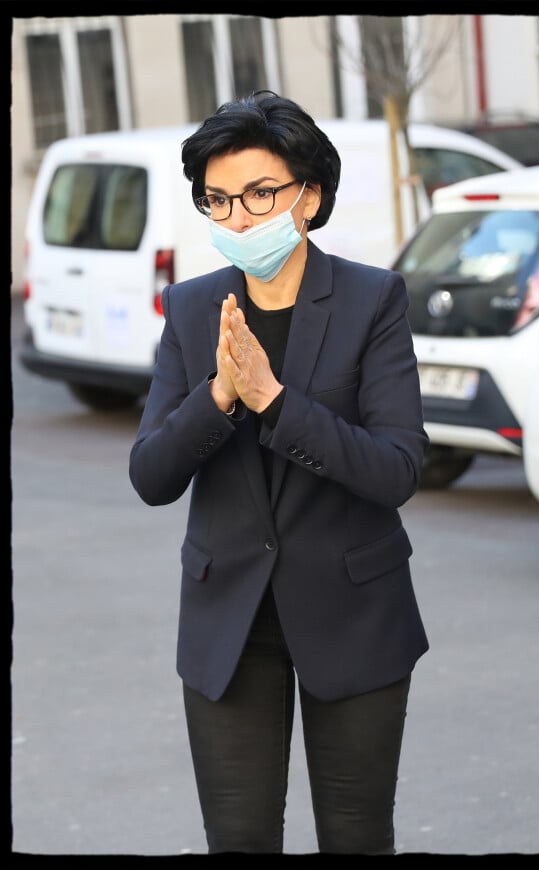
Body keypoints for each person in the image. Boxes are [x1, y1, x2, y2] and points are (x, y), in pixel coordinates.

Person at [129, 90, 429, 855]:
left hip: (354, 610)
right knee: (237, 837)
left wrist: (272, 399)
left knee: (358, 837)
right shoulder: (194, 309)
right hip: (228, 620)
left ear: (310, 195)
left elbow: (396, 469)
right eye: (219, 199)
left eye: (259, 193)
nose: (238, 217)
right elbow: (151, 473)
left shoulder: (373, 300)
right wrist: (221, 396)